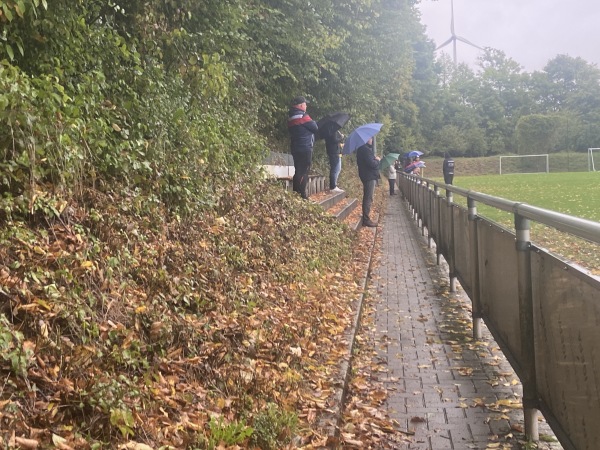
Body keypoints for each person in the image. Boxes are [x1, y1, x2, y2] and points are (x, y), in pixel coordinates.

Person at [287, 96, 318, 199]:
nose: (306, 106)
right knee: (304, 172)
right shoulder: (303, 116)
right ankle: (302, 196)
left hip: (295, 147)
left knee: (298, 170)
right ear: (300, 105)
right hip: (305, 147)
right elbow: (315, 127)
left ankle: (296, 194)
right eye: (305, 104)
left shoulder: (291, 116)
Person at [356, 137, 380, 227]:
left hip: (366, 176)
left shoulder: (362, 149)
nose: (372, 140)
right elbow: (372, 164)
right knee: (368, 198)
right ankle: (366, 219)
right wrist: (377, 160)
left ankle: (366, 217)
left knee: (368, 197)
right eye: (370, 138)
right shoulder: (365, 150)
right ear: (365, 139)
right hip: (369, 176)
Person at [323, 126, 344, 192]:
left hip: (335, 152)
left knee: (337, 168)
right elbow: (334, 140)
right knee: (335, 169)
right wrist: (341, 137)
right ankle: (333, 186)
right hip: (334, 152)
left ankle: (334, 184)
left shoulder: (331, 130)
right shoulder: (332, 130)